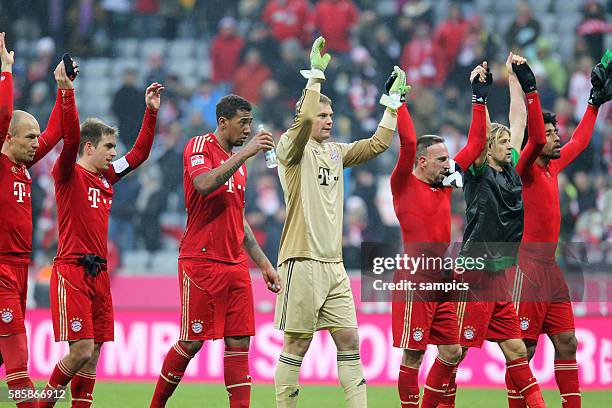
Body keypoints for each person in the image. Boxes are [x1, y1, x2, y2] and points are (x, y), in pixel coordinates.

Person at [273, 36, 401, 408]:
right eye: (322, 116)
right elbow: (300, 127)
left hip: (334, 264)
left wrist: (391, 104)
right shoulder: (290, 150)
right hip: (301, 259)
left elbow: (377, 144)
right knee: (297, 342)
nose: (329, 120)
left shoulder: (335, 151)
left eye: (330, 116)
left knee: (348, 339)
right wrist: (314, 78)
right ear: (306, 118)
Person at [149, 94, 281, 408]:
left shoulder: (239, 167)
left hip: (235, 263)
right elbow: (204, 184)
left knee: (239, 341)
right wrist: (246, 154)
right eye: (243, 122)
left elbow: (240, 220)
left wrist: (264, 264)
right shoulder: (199, 146)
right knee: (192, 340)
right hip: (201, 260)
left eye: (251, 122)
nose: (248, 129)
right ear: (223, 122)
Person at [40, 81, 163, 408]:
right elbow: (69, 139)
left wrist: (150, 113)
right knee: (80, 350)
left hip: (99, 273)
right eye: (109, 146)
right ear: (89, 147)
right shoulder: (67, 173)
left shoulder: (106, 176)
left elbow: (139, 155)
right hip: (72, 271)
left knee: (93, 354)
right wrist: (67, 93)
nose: (114, 153)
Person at [440, 55, 547, 408]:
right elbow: (481, 136)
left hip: (499, 271)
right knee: (454, 352)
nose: (508, 145)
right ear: (489, 147)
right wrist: (480, 97)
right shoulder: (480, 172)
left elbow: (518, 121)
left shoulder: (512, 170)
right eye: (501, 143)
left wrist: (516, 81)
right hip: (474, 271)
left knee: (516, 350)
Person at [507, 52, 612, 408]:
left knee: (568, 342)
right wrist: (531, 91)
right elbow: (534, 139)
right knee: (525, 348)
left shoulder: (552, 167)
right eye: (550, 134)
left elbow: (580, 142)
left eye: (556, 133)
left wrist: (594, 103)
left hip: (551, 269)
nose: (556, 139)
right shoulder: (525, 169)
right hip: (526, 268)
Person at [390, 63, 489, 408]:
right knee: (413, 355)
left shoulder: (444, 185)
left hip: (444, 277)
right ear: (421, 162)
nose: (450, 165)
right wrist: (399, 101)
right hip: (415, 278)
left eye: (449, 159)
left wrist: (479, 97)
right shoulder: (403, 184)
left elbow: (477, 142)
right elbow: (408, 142)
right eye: (443, 159)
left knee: (452, 351)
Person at [0, 32, 72, 408]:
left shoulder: (22, 165)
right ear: (7, 138)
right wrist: (6, 72)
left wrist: (64, 87)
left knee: (4, 354)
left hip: (19, 268)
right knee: (17, 357)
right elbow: (2, 115)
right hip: (0, 268)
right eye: (28, 137)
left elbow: (58, 130)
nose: (35, 143)